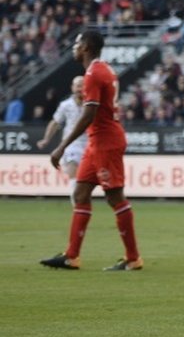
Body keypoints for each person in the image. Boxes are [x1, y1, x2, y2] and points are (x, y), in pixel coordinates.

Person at [40, 30, 143, 271]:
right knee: (81, 193)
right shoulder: (102, 69)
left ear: (85, 46)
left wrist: (61, 146)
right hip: (95, 143)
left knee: (115, 197)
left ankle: (133, 258)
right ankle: (72, 256)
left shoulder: (94, 74)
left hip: (106, 142)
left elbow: (89, 114)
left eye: (76, 43)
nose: (73, 47)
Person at [36, 76, 88, 199]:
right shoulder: (66, 105)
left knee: (86, 180)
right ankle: (77, 206)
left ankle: (82, 204)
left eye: (82, 85)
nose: (80, 88)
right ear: (72, 87)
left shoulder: (91, 104)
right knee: (73, 173)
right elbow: (55, 122)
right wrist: (46, 139)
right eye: (77, 85)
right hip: (71, 143)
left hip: (89, 143)